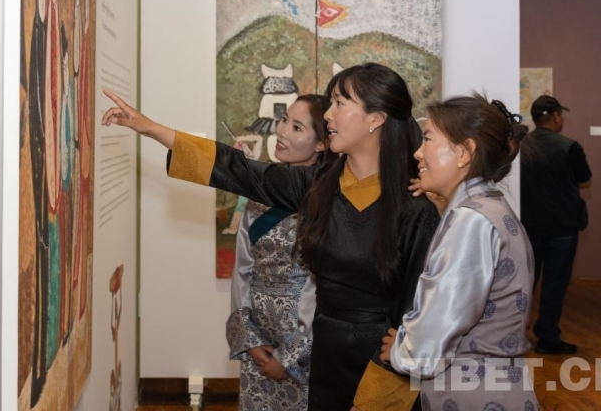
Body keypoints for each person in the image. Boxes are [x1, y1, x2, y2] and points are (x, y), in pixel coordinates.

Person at [102, 63, 440, 409]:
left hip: (379, 365)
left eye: (340, 103)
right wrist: (153, 129)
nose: (329, 114)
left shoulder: (415, 207)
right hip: (325, 360)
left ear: (376, 118)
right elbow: (240, 171)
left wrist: (386, 386)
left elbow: (417, 310)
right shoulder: (320, 186)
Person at [353, 95, 539, 411]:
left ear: (464, 153)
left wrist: (401, 350)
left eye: (427, 140)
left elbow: (437, 326)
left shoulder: (471, 219)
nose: (417, 153)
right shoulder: (487, 207)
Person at [227, 94, 336, 410]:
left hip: (307, 343)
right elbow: (243, 269)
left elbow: (324, 286)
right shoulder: (261, 191)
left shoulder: (328, 200)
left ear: (321, 144)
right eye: (285, 120)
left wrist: (290, 355)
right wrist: (250, 339)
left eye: (297, 127)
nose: (282, 131)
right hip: (259, 340)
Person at [520, 94, 591, 355]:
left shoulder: (521, 146)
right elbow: (585, 181)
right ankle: (548, 337)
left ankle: (516, 333)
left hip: (528, 225)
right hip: (562, 226)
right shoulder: (570, 147)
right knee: (555, 283)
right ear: (557, 116)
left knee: (524, 283)